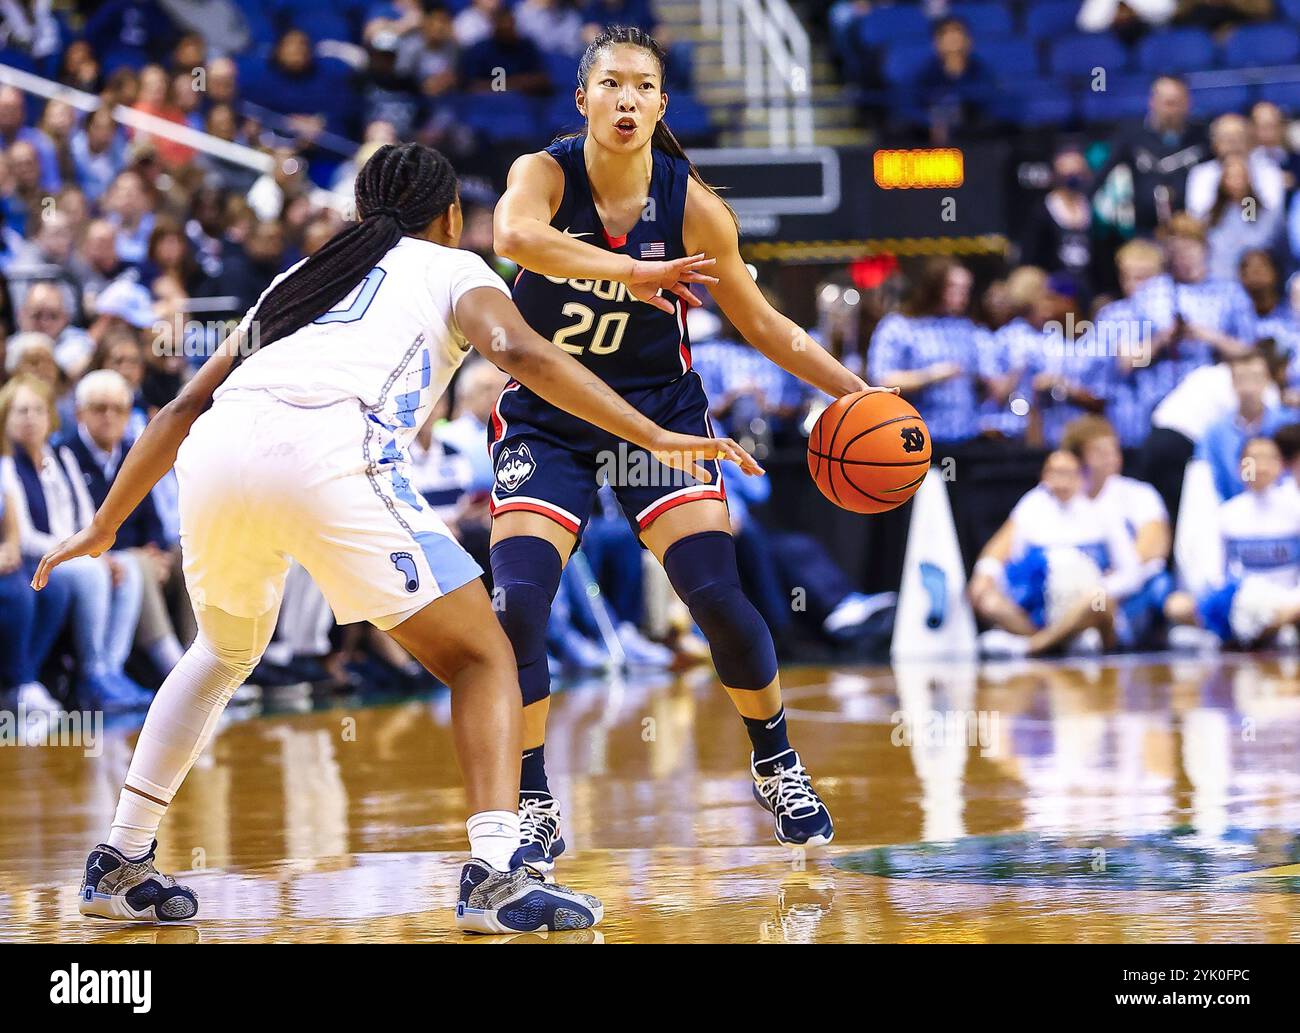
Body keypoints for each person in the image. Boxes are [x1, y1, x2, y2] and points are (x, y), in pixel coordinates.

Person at [32, 142, 758, 933]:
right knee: (484, 655)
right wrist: (651, 431)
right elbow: (518, 351)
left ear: (358, 212)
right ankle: (495, 875)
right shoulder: (455, 270)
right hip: (326, 449)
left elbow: (178, 411)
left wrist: (102, 525)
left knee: (219, 650)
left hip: (216, 455)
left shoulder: (295, 280)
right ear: (450, 217)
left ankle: (120, 857)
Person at [490, 27, 888, 869]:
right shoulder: (544, 173)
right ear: (583, 98)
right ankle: (529, 792)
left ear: (662, 104)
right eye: (611, 83)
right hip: (549, 415)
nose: (627, 97)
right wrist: (633, 275)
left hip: (659, 410)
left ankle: (776, 759)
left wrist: (854, 392)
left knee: (715, 590)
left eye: (643, 86)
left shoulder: (694, 205)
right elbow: (513, 241)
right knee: (517, 604)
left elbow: (767, 326)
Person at [970, 449, 1143, 657]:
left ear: (1080, 476)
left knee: (1099, 601)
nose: (1062, 481)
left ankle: (1035, 646)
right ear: (1044, 476)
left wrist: (1101, 586)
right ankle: (1057, 641)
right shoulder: (1030, 507)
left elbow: (1131, 573)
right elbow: (1012, 560)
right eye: (1055, 473)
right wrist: (991, 578)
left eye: (1068, 473)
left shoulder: (1103, 511)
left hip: (1086, 606)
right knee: (990, 602)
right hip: (1038, 609)